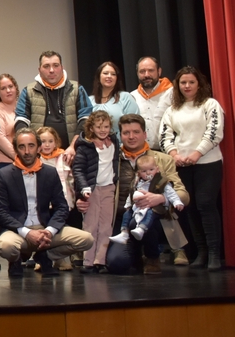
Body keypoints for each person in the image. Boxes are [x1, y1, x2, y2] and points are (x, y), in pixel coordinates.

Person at [0, 128, 94, 278]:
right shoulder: (4, 175)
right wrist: (27, 232)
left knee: (86, 239)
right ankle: (15, 261)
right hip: (18, 229)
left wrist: (49, 231)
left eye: (31, 145)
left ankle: (45, 256)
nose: (27, 151)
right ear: (15, 149)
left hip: (44, 226)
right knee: (5, 246)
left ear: (39, 147)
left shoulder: (49, 172)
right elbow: (0, 211)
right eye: (22, 147)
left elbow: (61, 206)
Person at [104, 114, 189, 274]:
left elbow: (183, 195)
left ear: (145, 134)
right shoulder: (112, 159)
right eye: (126, 133)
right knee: (117, 264)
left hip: (154, 220)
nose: (131, 137)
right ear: (120, 135)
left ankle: (152, 257)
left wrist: (162, 198)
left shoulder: (163, 159)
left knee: (147, 218)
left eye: (136, 132)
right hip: (122, 219)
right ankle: (137, 256)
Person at [160, 66, 225, 271]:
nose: (187, 86)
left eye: (191, 82)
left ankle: (214, 254)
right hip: (182, 165)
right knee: (190, 207)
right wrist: (175, 155)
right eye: (183, 83)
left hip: (208, 163)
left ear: (199, 84)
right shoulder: (172, 110)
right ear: (177, 86)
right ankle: (201, 252)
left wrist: (197, 154)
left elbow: (214, 132)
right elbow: (164, 136)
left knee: (206, 205)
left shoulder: (210, 104)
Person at [15, 51, 92, 163]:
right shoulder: (28, 91)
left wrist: (73, 147)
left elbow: (86, 120)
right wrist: (32, 149)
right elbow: (21, 122)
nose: (51, 70)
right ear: (39, 70)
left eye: (55, 65)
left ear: (62, 67)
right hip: (39, 159)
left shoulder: (77, 89)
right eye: (46, 66)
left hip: (72, 154)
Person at [72, 111, 119, 273]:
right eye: (99, 127)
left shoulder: (113, 142)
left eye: (106, 126)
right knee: (90, 225)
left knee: (106, 226)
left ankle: (101, 260)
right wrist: (83, 188)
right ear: (91, 127)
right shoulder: (85, 146)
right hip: (92, 190)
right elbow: (77, 169)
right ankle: (88, 261)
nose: (103, 130)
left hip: (109, 189)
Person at [110, 154, 185, 245]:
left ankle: (141, 228)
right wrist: (128, 205)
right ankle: (124, 233)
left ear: (157, 169)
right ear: (139, 173)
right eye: (144, 171)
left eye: (151, 170)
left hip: (155, 208)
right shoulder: (136, 182)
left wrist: (175, 201)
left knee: (150, 213)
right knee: (127, 213)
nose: (148, 173)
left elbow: (171, 193)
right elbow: (131, 195)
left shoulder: (161, 181)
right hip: (137, 207)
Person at [37, 126, 75, 271]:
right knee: (44, 229)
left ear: (56, 142)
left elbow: (71, 180)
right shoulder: (36, 159)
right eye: (43, 141)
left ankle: (62, 258)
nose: (47, 145)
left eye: (50, 141)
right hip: (43, 202)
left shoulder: (64, 157)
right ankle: (42, 258)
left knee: (61, 229)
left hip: (62, 200)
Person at [131, 56, 173, 150]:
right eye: (142, 71)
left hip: (169, 152)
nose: (147, 75)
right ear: (137, 73)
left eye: (151, 70)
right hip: (141, 153)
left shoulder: (172, 93)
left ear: (159, 71)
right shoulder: (132, 97)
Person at [89, 61, 138, 135]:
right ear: (99, 77)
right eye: (105, 73)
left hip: (120, 145)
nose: (109, 76)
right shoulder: (89, 100)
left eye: (113, 74)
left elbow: (135, 124)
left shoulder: (125, 97)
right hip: (93, 145)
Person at [0, 74, 18, 172]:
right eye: (3, 88)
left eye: (10, 86)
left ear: (16, 88)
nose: (8, 90)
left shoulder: (23, 107)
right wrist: (18, 156)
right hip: (5, 163)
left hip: (28, 161)